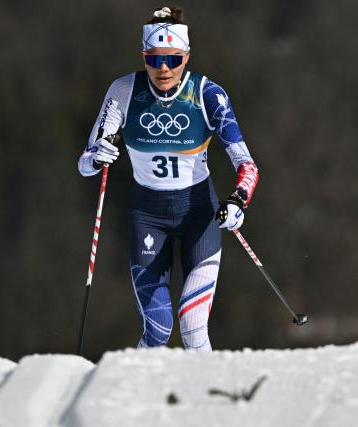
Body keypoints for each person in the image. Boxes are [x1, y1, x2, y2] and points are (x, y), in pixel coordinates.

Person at [78, 6, 259, 352]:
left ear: (187, 57)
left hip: (199, 216)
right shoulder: (123, 91)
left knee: (192, 325)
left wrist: (238, 201)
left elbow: (246, 164)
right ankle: (138, 390)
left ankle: (208, 396)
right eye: (154, 58)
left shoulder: (208, 95)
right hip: (149, 217)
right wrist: (96, 157)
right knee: (158, 328)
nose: (163, 69)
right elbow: (84, 164)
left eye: (173, 60)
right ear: (144, 56)